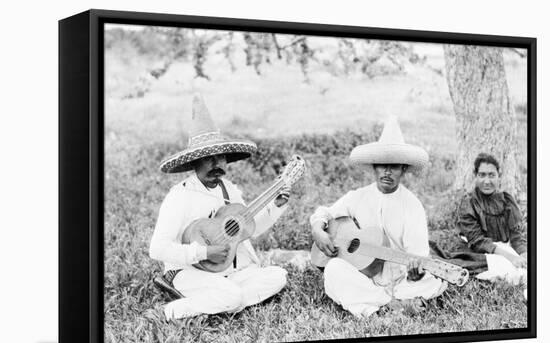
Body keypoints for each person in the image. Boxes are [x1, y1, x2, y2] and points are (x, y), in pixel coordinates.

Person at [150, 94, 289, 320]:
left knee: (278, 276)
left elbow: (245, 230)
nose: (217, 165)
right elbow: (157, 249)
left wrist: (276, 206)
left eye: (221, 157)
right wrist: (205, 252)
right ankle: (168, 311)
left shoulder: (229, 189)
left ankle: (218, 300)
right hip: (188, 271)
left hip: (225, 272)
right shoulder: (179, 196)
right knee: (233, 296)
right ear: (194, 162)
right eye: (208, 159)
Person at [310, 116, 447, 318]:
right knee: (333, 269)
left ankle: (373, 304)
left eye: (394, 166)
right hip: (365, 275)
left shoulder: (412, 205)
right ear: (374, 167)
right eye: (382, 165)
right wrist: (317, 230)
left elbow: (418, 255)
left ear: (404, 169)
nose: (387, 172)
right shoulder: (358, 196)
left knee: (431, 282)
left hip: (401, 279)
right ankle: (392, 304)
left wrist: (416, 273)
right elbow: (325, 212)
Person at [455, 152, 527, 285]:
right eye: (482, 175)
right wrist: (510, 257)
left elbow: (516, 236)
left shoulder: (507, 201)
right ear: (475, 176)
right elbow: (477, 241)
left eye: (491, 175)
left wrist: (523, 254)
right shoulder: (469, 203)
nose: (487, 181)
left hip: (503, 248)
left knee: (528, 267)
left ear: (499, 176)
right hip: (479, 252)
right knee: (508, 270)